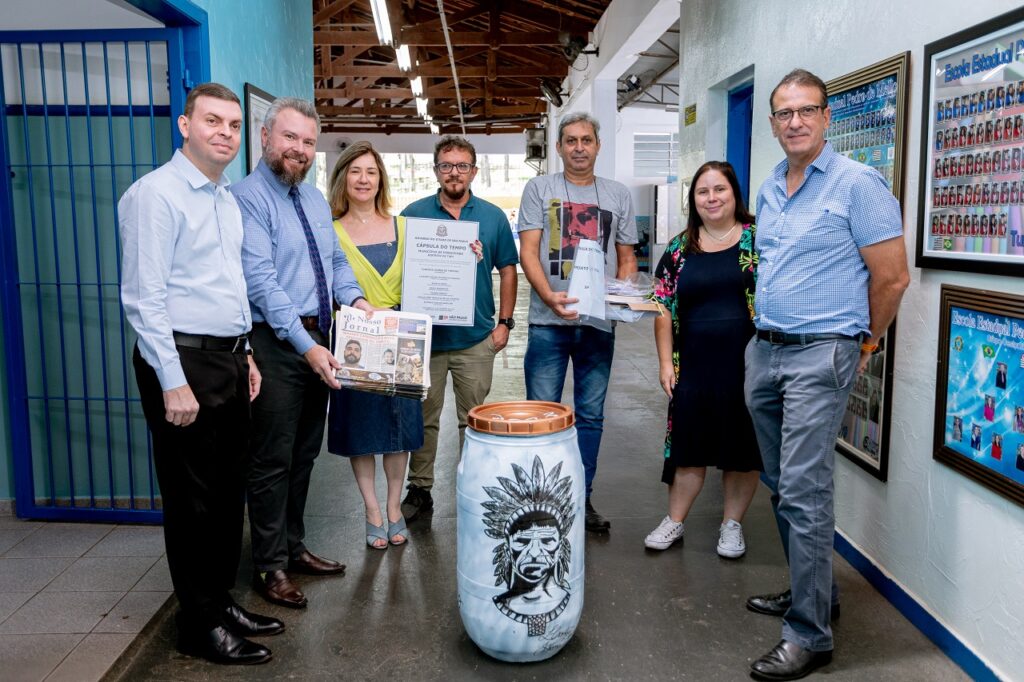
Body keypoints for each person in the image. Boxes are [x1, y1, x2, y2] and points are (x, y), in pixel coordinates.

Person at [743, 69, 909, 681]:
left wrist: (863, 342)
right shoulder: (768, 189)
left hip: (822, 354)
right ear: (772, 123)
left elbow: (891, 278)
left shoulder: (858, 185)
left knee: (807, 492)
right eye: (784, 113)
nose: (795, 121)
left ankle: (811, 635)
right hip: (766, 351)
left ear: (827, 116)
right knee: (781, 481)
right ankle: (815, 592)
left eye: (806, 110)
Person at [120, 82, 281, 665]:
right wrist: (172, 378)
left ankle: (219, 602)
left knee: (227, 491)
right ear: (185, 125)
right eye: (213, 121)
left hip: (229, 360)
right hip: (183, 361)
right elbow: (143, 299)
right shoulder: (155, 196)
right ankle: (197, 624)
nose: (225, 133)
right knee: (192, 500)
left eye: (234, 125)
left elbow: (228, 286)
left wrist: (246, 354)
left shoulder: (223, 198)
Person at [233, 98, 375, 609]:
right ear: (267, 136)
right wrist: (308, 346)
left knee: (303, 453)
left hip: (320, 339)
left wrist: (356, 299)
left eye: (309, 142)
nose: (300, 149)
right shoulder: (247, 198)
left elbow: (335, 261)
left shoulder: (314, 199)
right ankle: (269, 565)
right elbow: (263, 284)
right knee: (271, 459)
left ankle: (293, 548)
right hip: (275, 343)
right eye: (290, 138)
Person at [517, 112, 638, 533]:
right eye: (570, 140)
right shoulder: (539, 188)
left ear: (598, 145)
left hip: (597, 326)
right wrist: (549, 298)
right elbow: (528, 252)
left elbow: (626, 258)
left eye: (587, 139)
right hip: (547, 323)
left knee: (590, 415)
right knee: (542, 414)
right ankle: (541, 499)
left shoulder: (618, 194)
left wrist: (620, 299)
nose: (579, 147)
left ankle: (581, 499)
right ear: (559, 147)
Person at [399, 136, 519, 521]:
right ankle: (420, 490)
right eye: (446, 165)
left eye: (462, 165)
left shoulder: (492, 217)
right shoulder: (412, 214)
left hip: (474, 341)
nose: (454, 172)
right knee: (423, 419)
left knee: (474, 420)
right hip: (427, 341)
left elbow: (508, 270)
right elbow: (398, 273)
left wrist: (504, 323)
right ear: (435, 170)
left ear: (474, 171)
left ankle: (473, 484)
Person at [646, 161, 761, 558]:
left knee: (742, 449)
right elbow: (661, 307)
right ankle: (674, 521)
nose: (711, 198)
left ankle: (732, 526)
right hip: (692, 362)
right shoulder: (680, 248)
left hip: (748, 364)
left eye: (719, 190)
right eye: (702, 192)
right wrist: (665, 363)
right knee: (688, 445)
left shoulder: (758, 240)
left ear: (734, 194)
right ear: (693, 200)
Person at [326, 141, 423, 549]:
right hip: (355, 339)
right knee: (362, 428)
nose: (363, 179)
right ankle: (371, 508)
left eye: (370, 171)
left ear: (380, 178)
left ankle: (394, 505)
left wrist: (466, 257)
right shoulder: (328, 231)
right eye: (355, 171)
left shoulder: (404, 227)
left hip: (402, 340)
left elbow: (433, 273)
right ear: (342, 178)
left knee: (398, 427)